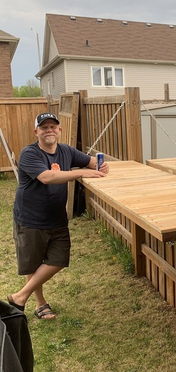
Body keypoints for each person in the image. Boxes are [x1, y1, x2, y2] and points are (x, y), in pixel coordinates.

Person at [7, 112, 109, 320]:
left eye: (53, 127)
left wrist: (100, 165)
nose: (49, 130)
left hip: (57, 218)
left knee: (60, 259)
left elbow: (92, 161)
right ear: (36, 132)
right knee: (33, 264)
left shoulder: (66, 151)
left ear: (59, 130)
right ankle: (40, 304)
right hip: (30, 219)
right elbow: (47, 177)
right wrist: (80, 172)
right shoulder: (29, 153)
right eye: (44, 127)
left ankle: (19, 296)